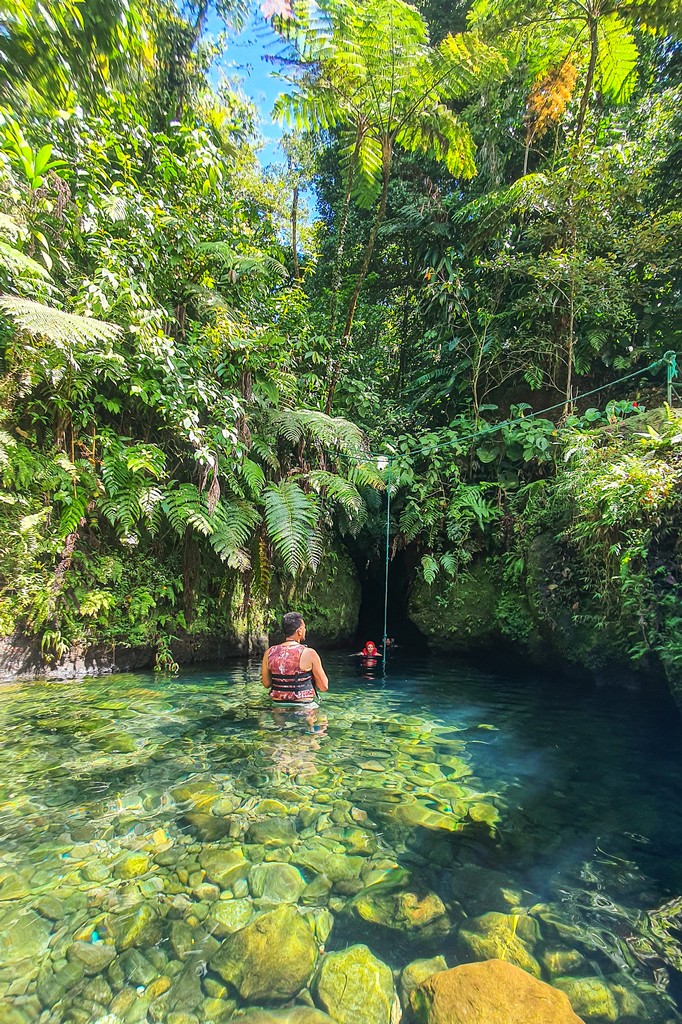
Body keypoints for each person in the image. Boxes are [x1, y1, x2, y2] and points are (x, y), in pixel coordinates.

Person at [262, 612, 329, 705]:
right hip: (304, 705)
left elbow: (266, 684)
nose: (305, 630)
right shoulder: (309, 653)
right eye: (304, 627)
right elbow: (324, 686)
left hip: (278, 705)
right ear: (299, 631)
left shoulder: (269, 653)